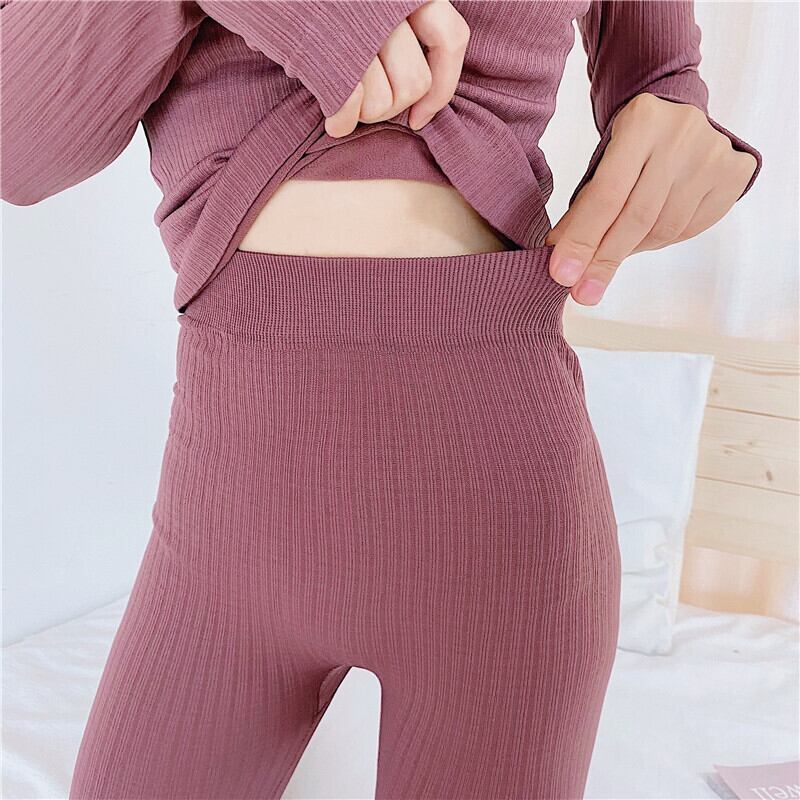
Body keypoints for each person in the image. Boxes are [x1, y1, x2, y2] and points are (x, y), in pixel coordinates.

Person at [1, 1, 761, 798]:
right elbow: (19, 147)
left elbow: (661, 77)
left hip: (499, 531)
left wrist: (685, 127)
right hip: (222, 525)